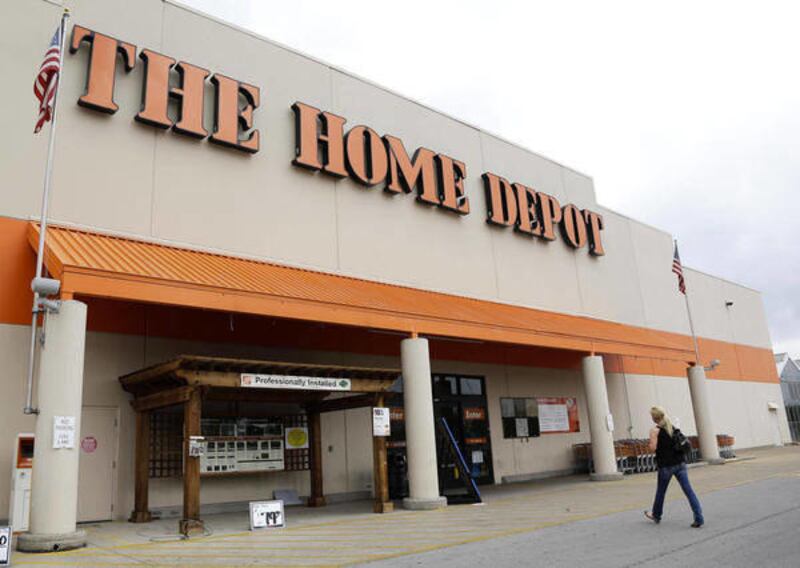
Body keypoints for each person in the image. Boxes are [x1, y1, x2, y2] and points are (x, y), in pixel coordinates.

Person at [644, 406, 704, 527]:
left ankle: (656, 514)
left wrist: (650, 444)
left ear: (654, 418)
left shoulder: (655, 431)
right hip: (680, 463)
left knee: (661, 491)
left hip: (665, 466)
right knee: (688, 491)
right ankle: (699, 517)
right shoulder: (672, 427)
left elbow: (653, 448)